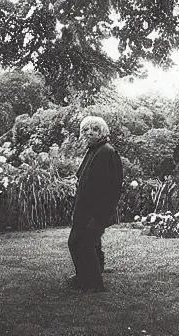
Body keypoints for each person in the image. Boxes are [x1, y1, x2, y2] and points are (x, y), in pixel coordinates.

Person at [68, 115, 123, 293]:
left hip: (96, 210)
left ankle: (93, 284)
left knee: (82, 242)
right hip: (85, 209)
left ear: (103, 132)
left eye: (94, 129)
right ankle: (85, 277)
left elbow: (113, 188)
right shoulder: (93, 150)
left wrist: (100, 216)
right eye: (86, 130)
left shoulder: (107, 152)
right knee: (85, 242)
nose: (89, 133)